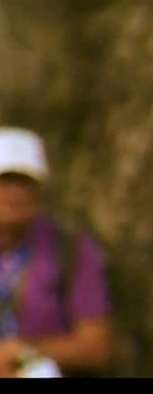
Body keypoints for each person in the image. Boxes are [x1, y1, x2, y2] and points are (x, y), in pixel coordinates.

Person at [0, 128, 112, 378]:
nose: (16, 193)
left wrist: (24, 352)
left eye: (26, 183)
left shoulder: (71, 250)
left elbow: (96, 346)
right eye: (6, 182)